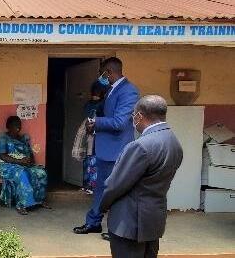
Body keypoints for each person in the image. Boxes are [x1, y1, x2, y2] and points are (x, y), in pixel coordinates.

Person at [100, 95, 183, 258]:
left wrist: (102, 206)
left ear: (139, 116)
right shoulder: (174, 141)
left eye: (133, 116)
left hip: (129, 223)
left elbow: (114, 185)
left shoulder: (140, 146)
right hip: (154, 220)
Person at [74, 57, 139, 237]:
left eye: (102, 73)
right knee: (101, 189)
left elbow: (119, 122)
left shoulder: (129, 91)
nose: (101, 77)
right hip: (106, 149)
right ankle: (93, 222)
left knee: (118, 191)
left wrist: (96, 123)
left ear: (108, 72)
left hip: (118, 150)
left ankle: (119, 228)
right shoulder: (111, 89)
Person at [0, 116, 50, 215]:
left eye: (19, 125)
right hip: (8, 166)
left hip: (24, 164)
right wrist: (19, 161)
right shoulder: (3, 137)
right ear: (8, 126)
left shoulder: (23, 138)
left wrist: (29, 161)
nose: (17, 128)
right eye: (14, 125)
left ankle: (39, 200)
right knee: (22, 174)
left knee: (42, 172)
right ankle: (22, 204)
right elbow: (2, 155)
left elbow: (30, 154)